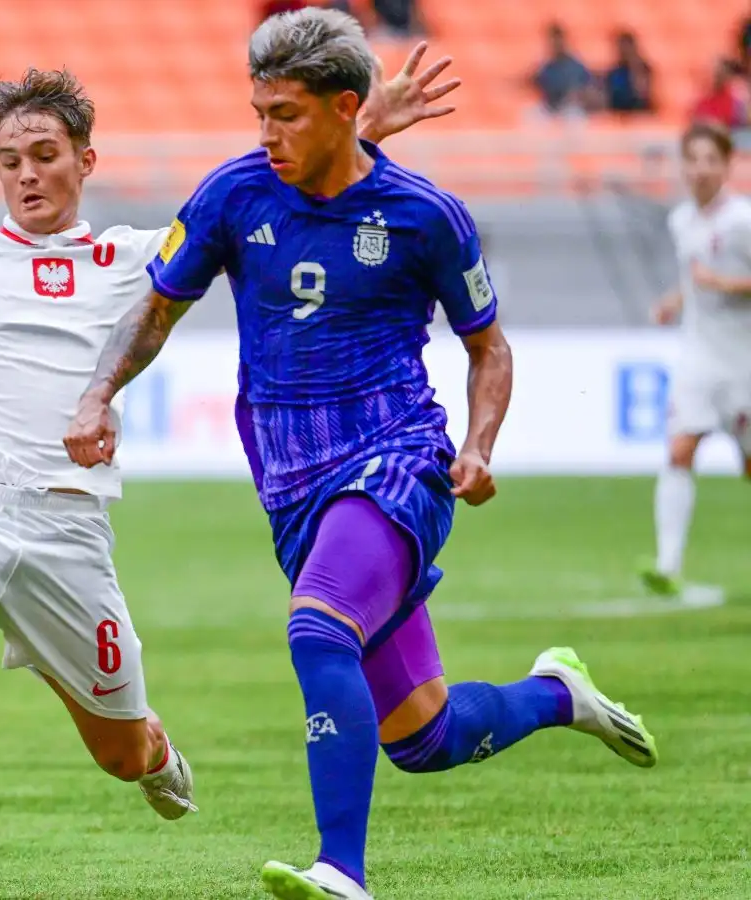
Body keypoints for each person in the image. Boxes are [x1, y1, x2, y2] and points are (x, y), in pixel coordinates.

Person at [0, 43, 464, 899]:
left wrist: (363, 136)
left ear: (86, 161)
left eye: (45, 157)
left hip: (65, 537)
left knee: (119, 752)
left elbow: (262, 204)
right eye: (10, 161)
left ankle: (152, 748)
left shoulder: (140, 258)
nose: (26, 176)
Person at [65, 11, 658, 900]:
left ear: (347, 108)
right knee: (423, 738)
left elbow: (488, 346)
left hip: (398, 460)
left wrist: (479, 444)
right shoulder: (234, 196)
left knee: (317, 628)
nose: (267, 133)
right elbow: (154, 311)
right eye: (259, 111)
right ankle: (557, 694)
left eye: (288, 115)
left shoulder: (426, 218)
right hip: (294, 486)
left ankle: (342, 872)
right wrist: (96, 393)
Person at [641, 123, 751, 597]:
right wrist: (675, 300)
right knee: (680, 448)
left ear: (728, 165)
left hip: (744, 361)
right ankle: (667, 565)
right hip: (700, 356)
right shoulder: (682, 220)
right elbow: (693, 278)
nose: (701, 169)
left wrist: (724, 285)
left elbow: (716, 278)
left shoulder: (742, 222)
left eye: (712, 159)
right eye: (694, 159)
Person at [604, 30, 653, 114]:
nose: (624, 51)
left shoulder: (643, 68)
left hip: (639, 111)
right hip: (618, 111)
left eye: (627, 47)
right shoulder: (615, 72)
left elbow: (643, 93)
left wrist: (635, 67)